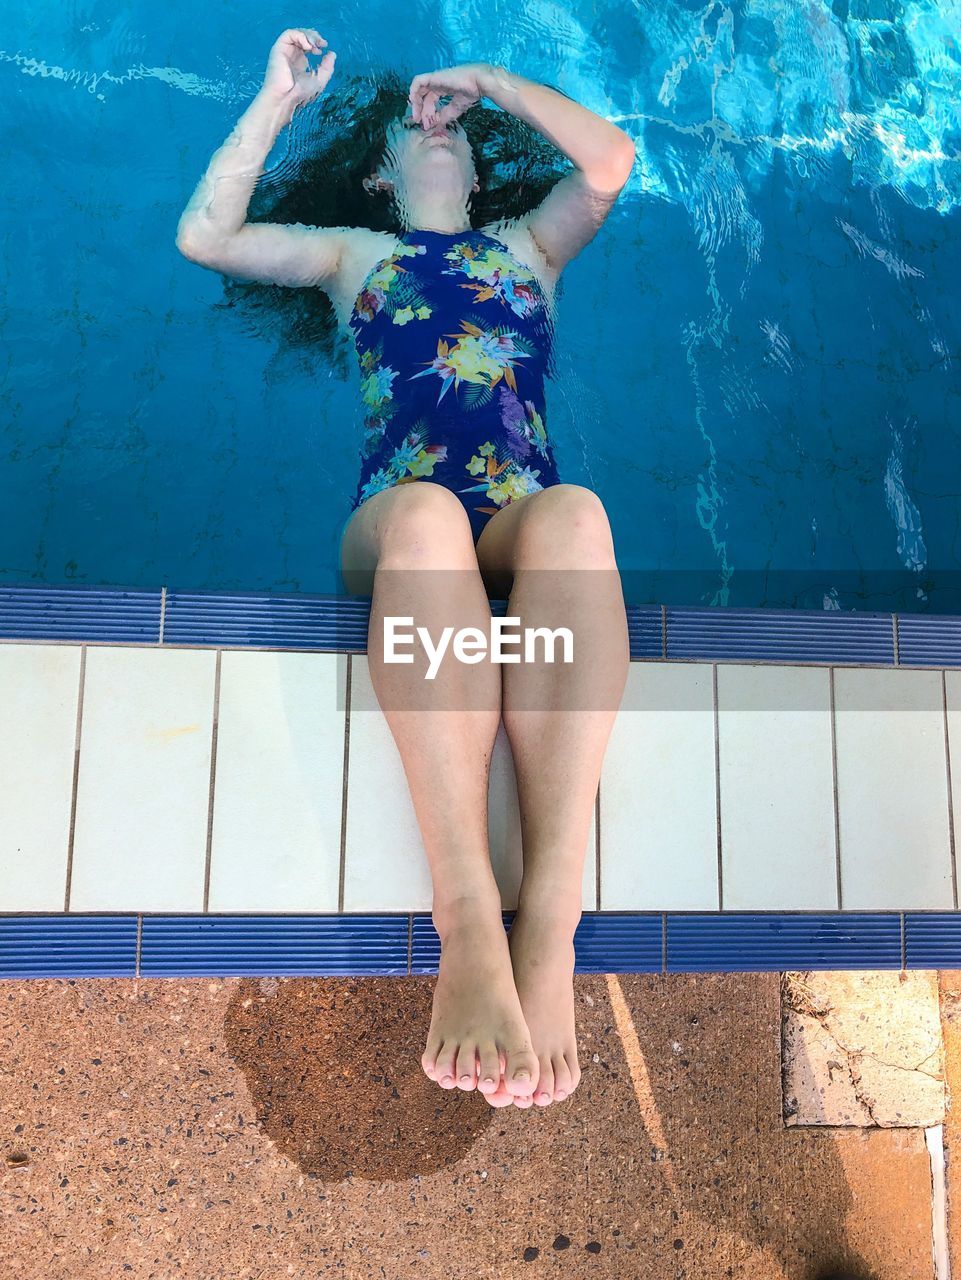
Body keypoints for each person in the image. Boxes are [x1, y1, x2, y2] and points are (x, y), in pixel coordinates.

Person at [177, 29, 634, 1109]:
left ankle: (551, 930)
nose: (437, 126)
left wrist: (492, 85)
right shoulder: (353, 255)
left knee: (577, 516)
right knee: (428, 515)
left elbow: (609, 163)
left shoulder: (531, 246)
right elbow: (208, 237)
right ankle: (468, 917)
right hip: (398, 522)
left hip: (518, 512)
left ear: (478, 164)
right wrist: (274, 102)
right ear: (382, 172)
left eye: (455, 126)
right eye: (414, 124)